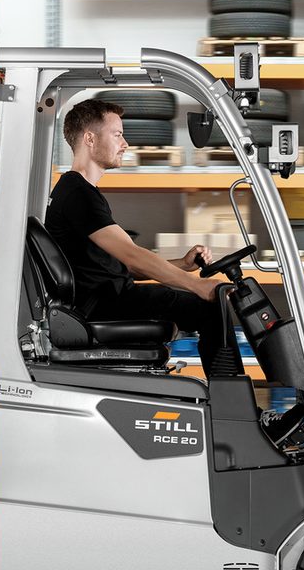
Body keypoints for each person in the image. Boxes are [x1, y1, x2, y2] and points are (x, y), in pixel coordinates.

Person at [45, 97, 229, 374]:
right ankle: (231, 401)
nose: (125, 143)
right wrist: (197, 285)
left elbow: (124, 265)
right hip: (103, 305)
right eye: (117, 134)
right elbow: (132, 256)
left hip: (109, 298)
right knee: (210, 308)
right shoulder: (77, 194)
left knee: (202, 305)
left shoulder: (80, 191)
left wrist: (182, 264)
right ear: (90, 138)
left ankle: (228, 398)